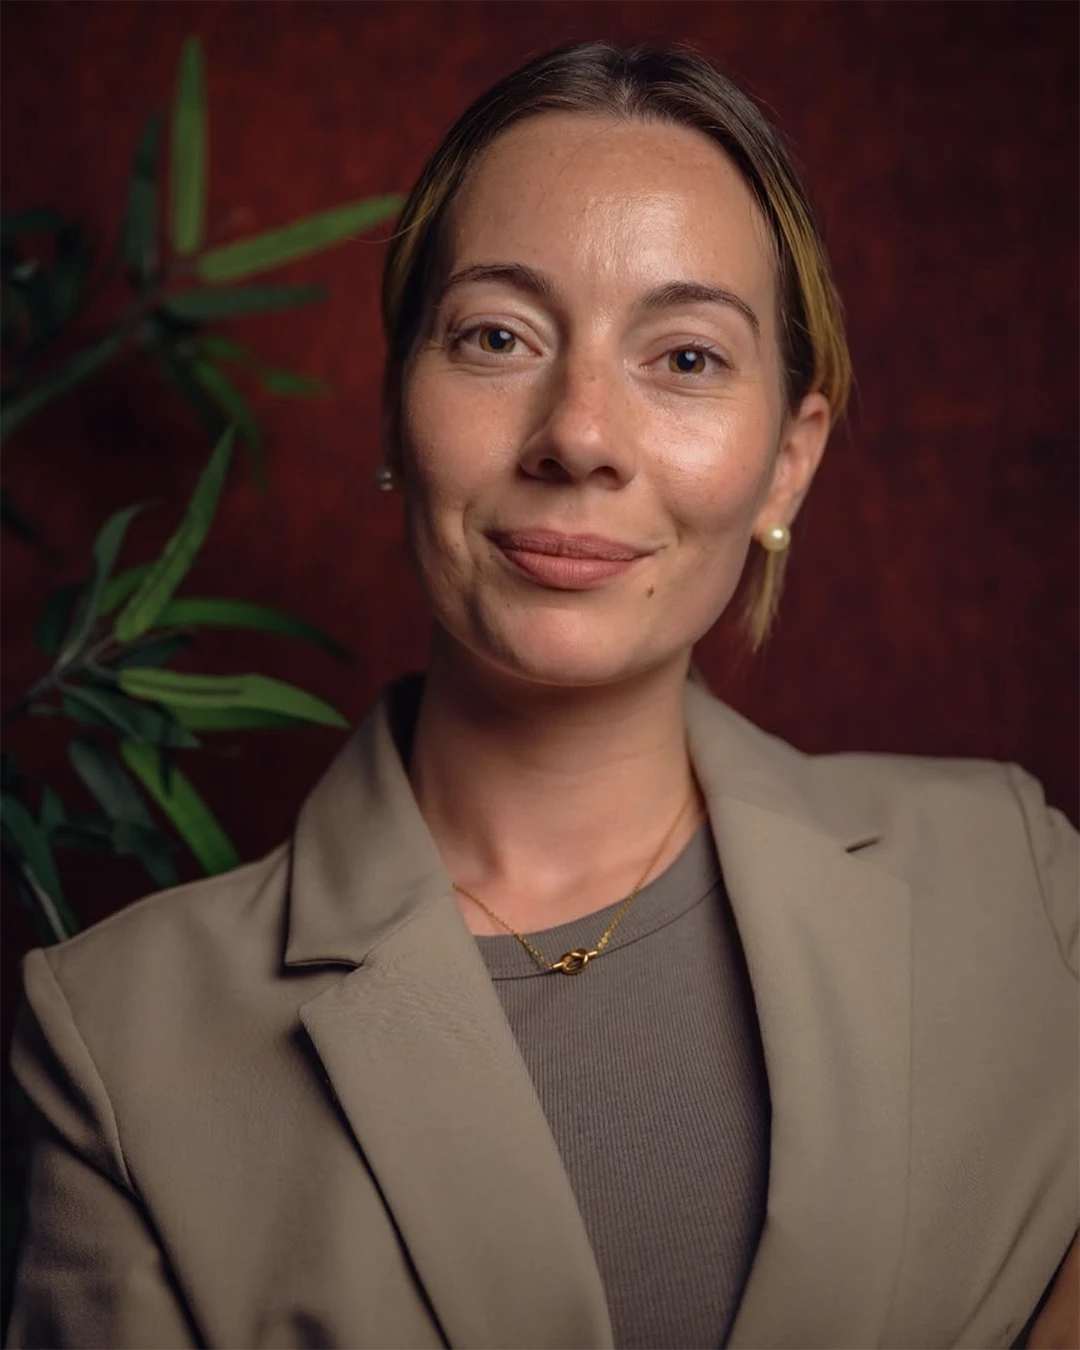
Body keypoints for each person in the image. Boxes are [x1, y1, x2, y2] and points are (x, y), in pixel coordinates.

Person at [6, 40, 1080, 1350]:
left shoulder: (1019, 883)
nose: (578, 433)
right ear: (400, 410)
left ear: (789, 462)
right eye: (498, 335)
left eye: (684, 357)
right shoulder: (121, 1040)